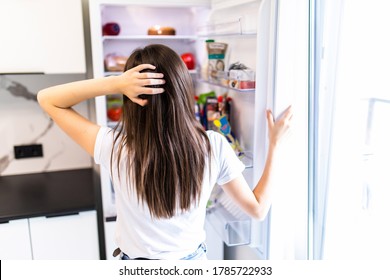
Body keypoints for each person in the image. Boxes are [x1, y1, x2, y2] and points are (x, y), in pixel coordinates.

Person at [37, 44, 292, 260]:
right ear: (183, 91)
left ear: (131, 97)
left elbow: (48, 98)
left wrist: (116, 83)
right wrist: (274, 146)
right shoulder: (213, 146)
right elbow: (258, 209)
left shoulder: (114, 147)